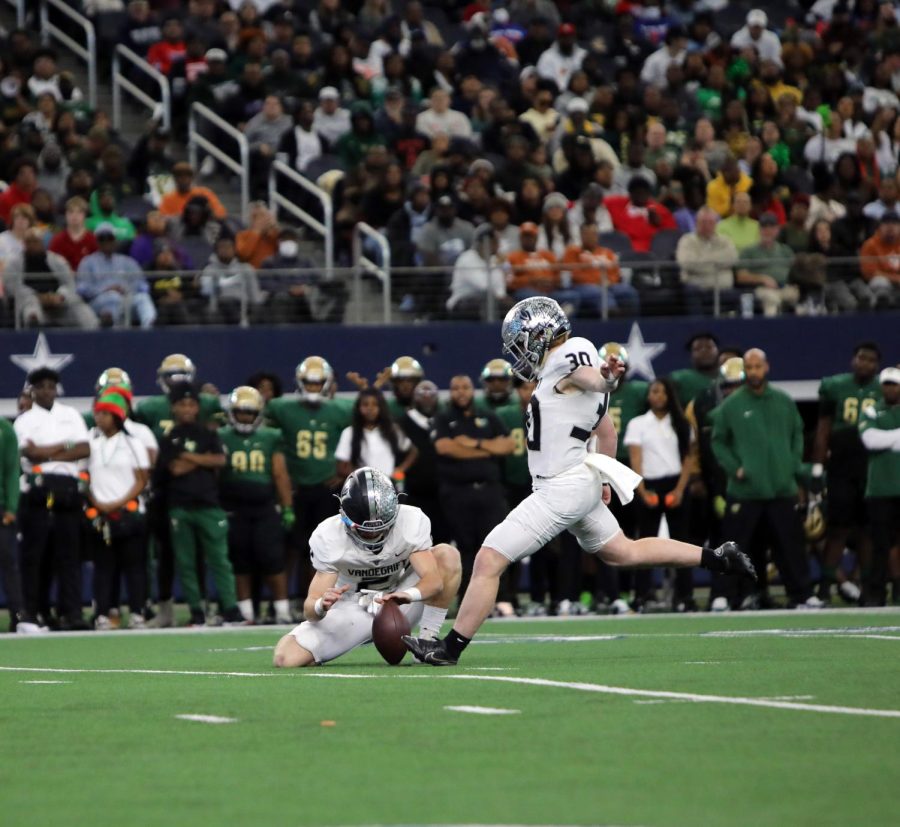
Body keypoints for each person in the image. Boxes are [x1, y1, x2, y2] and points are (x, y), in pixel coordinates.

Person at [404, 299, 755, 665]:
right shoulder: (565, 371)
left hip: (561, 485)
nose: (521, 352)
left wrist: (608, 376)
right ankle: (717, 557)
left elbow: (593, 377)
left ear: (541, 334)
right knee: (623, 552)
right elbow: (608, 434)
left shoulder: (571, 354)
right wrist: (601, 479)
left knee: (489, 558)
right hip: (578, 480)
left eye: (522, 341)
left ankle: (450, 648)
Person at [272, 467, 462, 666]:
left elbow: (434, 581)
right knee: (285, 658)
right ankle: (354, 635)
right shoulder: (328, 535)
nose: (373, 536)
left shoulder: (410, 520)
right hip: (353, 608)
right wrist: (321, 605)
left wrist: (408, 595)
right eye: (365, 531)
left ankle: (427, 642)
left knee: (446, 555)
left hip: (398, 601)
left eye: (381, 529)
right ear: (344, 515)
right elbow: (309, 608)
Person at [711, 349, 821, 610]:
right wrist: (734, 467)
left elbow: (797, 433)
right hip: (745, 490)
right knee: (735, 546)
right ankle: (724, 596)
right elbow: (718, 441)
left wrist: (792, 463)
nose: (753, 372)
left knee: (790, 545)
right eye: (749, 367)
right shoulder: (732, 404)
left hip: (782, 488)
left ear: (767, 367)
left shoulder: (783, 400)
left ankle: (802, 595)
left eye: (757, 366)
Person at [154, 382, 242, 626]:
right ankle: (196, 610)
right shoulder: (169, 436)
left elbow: (220, 460)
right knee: (186, 562)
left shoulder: (207, 433)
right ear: (174, 408)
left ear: (197, 407)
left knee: (220, 560)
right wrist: (204, 460)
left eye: (191, 404)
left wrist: (188, 456)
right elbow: (174, 468)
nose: (187, 409)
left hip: (208, 504)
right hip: (179, 506)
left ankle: (230, 608)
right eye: (182, 404)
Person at [265, 357, 352, 602]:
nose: (313, 388)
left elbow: (358, 441)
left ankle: (312, 598)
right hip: (296, 489)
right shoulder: (282, 408)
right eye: (309, 383)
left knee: (322, 550)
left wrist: (342, 472)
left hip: (327, 489)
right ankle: (283, 601)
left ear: (327, 383)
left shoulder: (341, 410)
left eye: (318, 383)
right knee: (291, 548)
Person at [14, 367, 91, 631]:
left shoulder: (69, 414)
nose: (47, 391)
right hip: (38, 488)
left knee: (69, 555)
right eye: (41, 386)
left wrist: (47, 453)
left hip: (67, 487)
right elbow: (27, 452)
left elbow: (83, 447)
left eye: (51, 386)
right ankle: (33, 613)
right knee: (36, 556)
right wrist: (63, 447)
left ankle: (72, 613)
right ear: (32, 390)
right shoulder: (24, 420)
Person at [811, 343, 882, 603]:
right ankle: (825, 587)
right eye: (861, 358)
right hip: (842, 466)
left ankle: (864, 586)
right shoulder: (835, 386)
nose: (865, 364)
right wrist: (818, 466)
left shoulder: (884, 389)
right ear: (853, 360)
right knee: (838, 529)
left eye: (871, 360)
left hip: (872, 466)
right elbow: (823, 428)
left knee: (867, 530)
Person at [432, 374, 515, 592]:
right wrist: (488, 449)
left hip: (490, 492)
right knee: (465, 548)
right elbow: (444, 448)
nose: (461, 392)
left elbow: (508, 445)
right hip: (458, 493)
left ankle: (502, 600)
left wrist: (473, 443)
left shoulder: (488, 416)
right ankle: (466, 600)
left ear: (473, 389)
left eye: (465, 387)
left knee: (496, 546)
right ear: (450, 392)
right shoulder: (443, 418)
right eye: (456, 388)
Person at [219, 386, 294, 625]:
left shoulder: (270, 436)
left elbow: (280, 473)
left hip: (264, 506)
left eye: (249, 412)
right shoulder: (222, 436)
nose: (244, 416)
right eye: (240, 411)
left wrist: (287, 506)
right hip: (234, 506)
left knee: (272, 558)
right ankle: (246, 613)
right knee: (240, 559)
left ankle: (282, 610)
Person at [624, 378, 696, 611]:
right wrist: (642, 491)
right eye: (654, 391)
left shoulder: (682, 422)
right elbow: (636, 459)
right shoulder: (637, 423)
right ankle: (642, 595)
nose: (659, 396)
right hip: (649, 485)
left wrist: (680, 490)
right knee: (644, 542)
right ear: (648, 395)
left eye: (664, 392)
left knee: (682, 541)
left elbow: (689, 459)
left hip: (675, 484)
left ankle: (685, 596)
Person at [85, 390, 151, 630]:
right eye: (97, 413)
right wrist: (95, 501)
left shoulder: (133, 443)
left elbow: (142, 479)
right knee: (103, 568)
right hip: (100, 514)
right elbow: (84, 476)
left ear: (116, 417)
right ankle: (102, 613)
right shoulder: (91, 442)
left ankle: (137, 612)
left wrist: (119, 502)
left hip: (128, 513)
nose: (98, 418)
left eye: (104, 414)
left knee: (134, 567)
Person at [859, 367, 900, 606]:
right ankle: (875, 593)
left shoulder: (874, 414)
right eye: (886, 384)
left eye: (894, 384)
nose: (889, 388)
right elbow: (869, 440)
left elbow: (878, 438)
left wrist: (887, 437)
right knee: (880, 545)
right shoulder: (872, 409)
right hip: (880, 489)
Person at [335, 388, 417, 481]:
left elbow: (413, 451)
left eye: (375, 405)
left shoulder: (392, 430)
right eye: (365, 405)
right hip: (362, 489)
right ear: (359, 408)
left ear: (381, 408)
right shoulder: (349, 433)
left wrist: (400, 470)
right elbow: (341, 467)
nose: (370, 408)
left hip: (388, 487)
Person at [0, 413, 25, 632]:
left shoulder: (5, 430)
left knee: (9, 564)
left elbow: (11, 472)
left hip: (1, 509)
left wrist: (11, 507)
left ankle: (18, 615)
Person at [669, 333, 721, 409]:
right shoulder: (679, 379)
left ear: (717, 350)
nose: (704, 351)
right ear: (691, 355)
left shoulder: (729, 375)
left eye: (709, 347)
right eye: (698, 348)